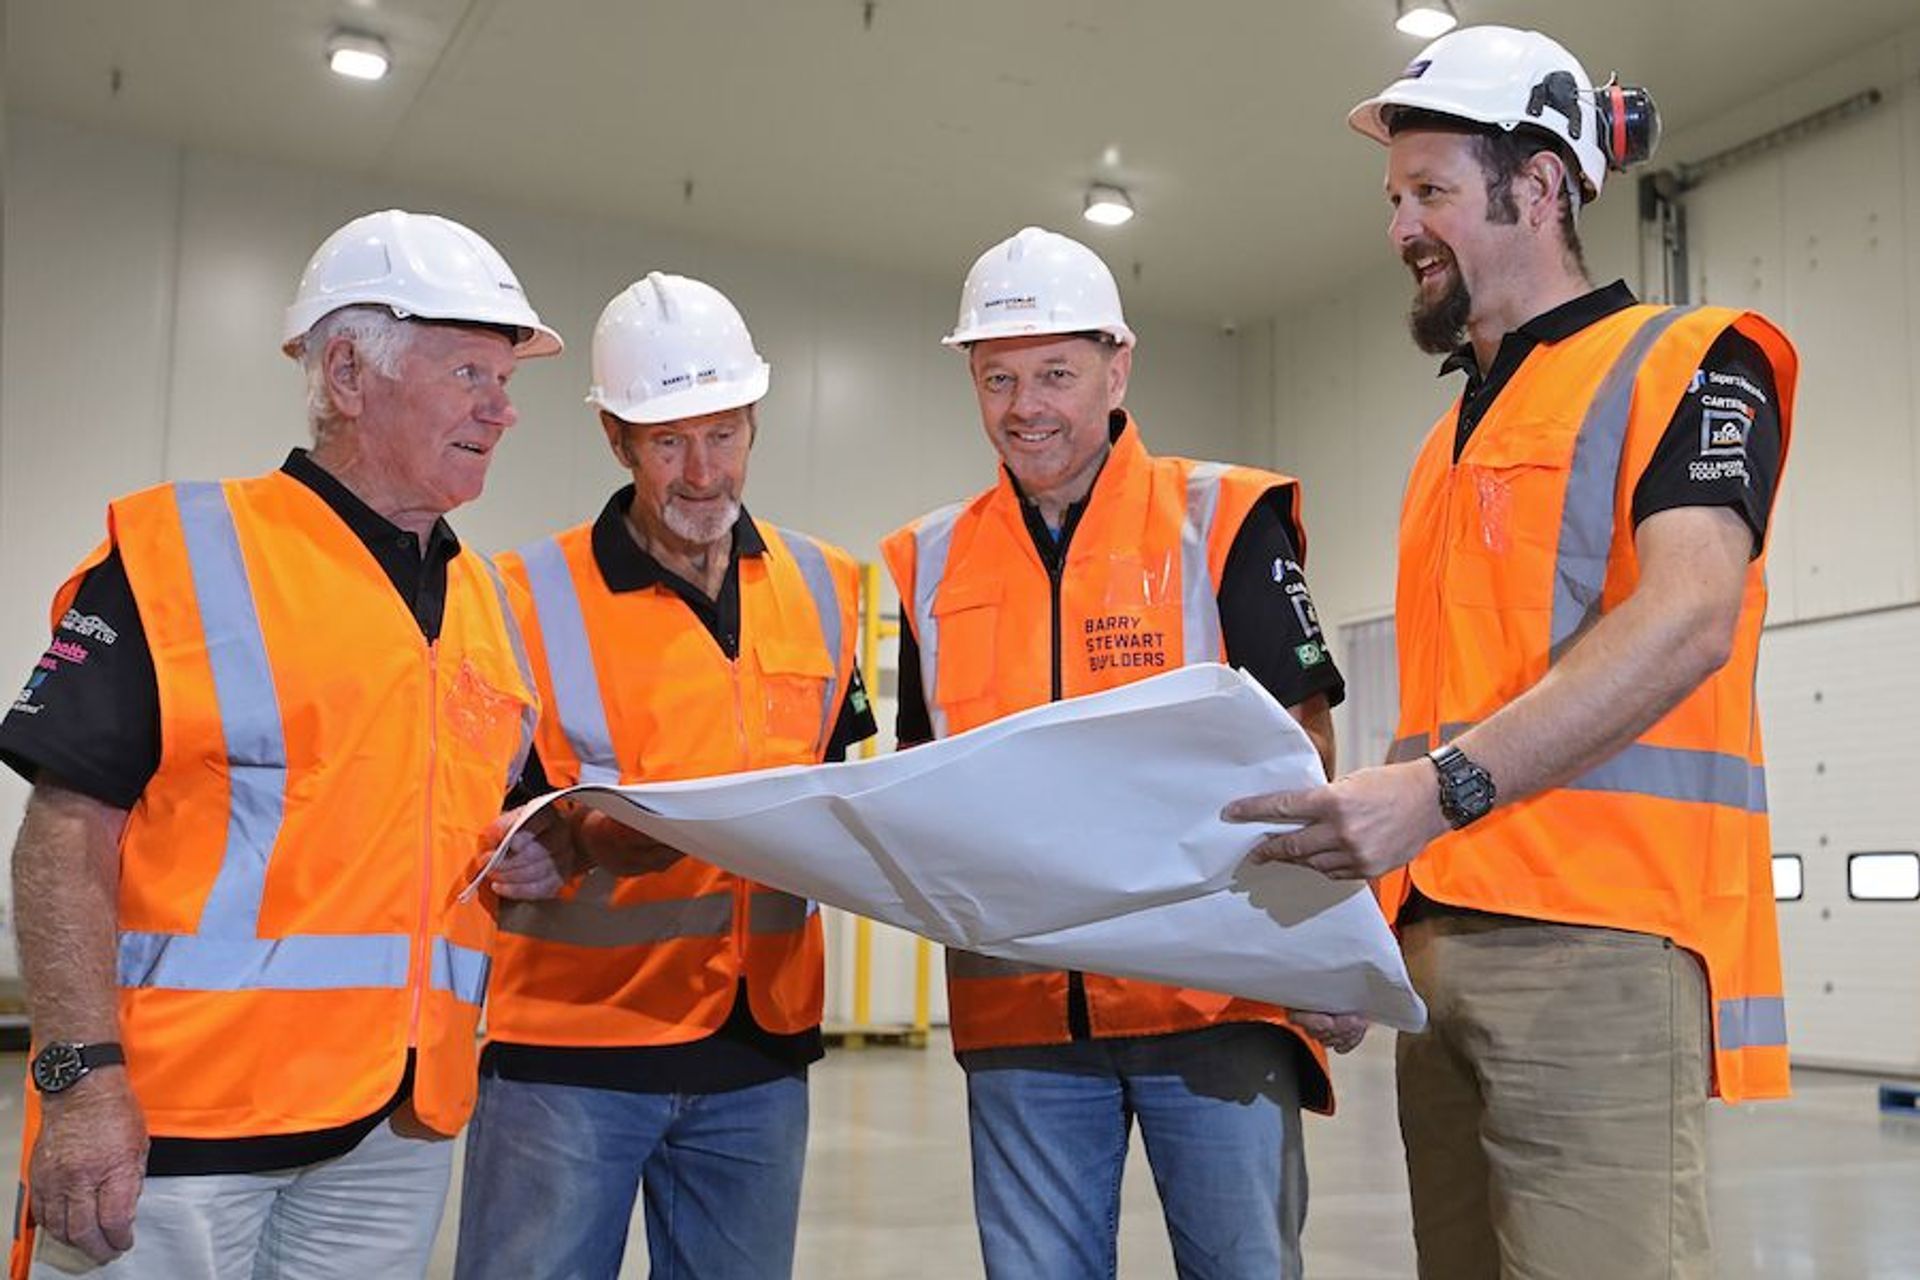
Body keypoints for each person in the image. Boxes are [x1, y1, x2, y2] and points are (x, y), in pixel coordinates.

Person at [1224, 26, 1796, 1279]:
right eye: (1394, 199)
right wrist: (1358, 935)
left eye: (1430, 191)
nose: (1401, 226)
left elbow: (1693, 611)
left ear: (1535, 190)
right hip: (1439, 949)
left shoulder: (1693, 361)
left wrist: (1435, 795)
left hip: (1599, 948)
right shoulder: (1449, 444)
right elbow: (1430, 720)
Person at [0, 209, 570, 1279]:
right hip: (179, 1126)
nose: (503, 411)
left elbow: (493, 829)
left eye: (507, 382)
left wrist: (540, 855)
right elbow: (63, 835)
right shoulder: (182, 551)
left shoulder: (484, 601)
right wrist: (80, 1081)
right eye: (470, 374)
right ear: (348, 373)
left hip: (395, 1127)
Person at [881, 226, 1350, 1280]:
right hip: (1018, 1007)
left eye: (1055, 372)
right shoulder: (923, 560)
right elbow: (915, 772)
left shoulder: (1223, 517)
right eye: (998, 377)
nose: (1025, 405)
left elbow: (1307, 749)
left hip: (1216, 998)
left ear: (1118, 367)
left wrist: (1329, 946)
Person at [454, 272, 876, 1280]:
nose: (699, 471)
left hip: (759, 1052)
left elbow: (834, 787)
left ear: (755, 422)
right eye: (667, 441)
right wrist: (544, 839)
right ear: (615, 438)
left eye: (722, 433)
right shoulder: (516, 594)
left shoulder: (828, 585)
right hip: (571, 1051)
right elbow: (478, 813)